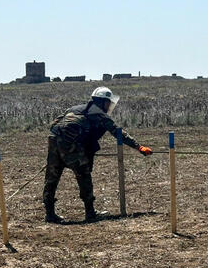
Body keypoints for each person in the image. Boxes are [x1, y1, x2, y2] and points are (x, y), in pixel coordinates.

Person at [43, 87, 152, 223]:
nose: (109, 106)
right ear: (101, 102)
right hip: (72, 144)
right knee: (84, 175)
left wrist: (60, 146)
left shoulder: (74, 108)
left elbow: (54, 124)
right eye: (108, 102)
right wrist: (139, 147)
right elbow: (118, 133)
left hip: (54, 139)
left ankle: (49, 214)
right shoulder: (99, 114)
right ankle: (90, 213)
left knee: (52, 177)